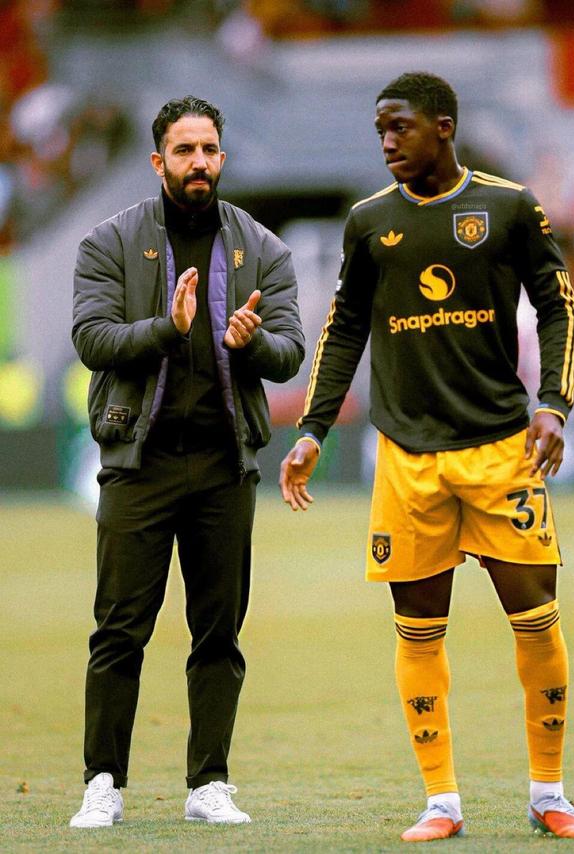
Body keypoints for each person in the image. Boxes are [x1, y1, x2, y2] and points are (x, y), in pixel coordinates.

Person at [280, 72, 574, 842]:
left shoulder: (509, 207)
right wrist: (314, 428)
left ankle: (549, 793)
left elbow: (559, 305)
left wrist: (553, 405)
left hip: (502, 451)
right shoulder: (369, 222)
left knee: (537, 621)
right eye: (380, 131)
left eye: (401, 127)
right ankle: (441, 803)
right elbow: (343, 329)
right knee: (418, 630)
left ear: (443, 126)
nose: (388, 142)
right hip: (407, 458)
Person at [70, 96, 304, 828]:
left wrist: (251, 342)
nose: (198, 162)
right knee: (119, 630)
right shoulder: (109, 241)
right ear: (158, 161)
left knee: (218, 633)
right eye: (184, 150)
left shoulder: (264, 248)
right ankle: (103, 782)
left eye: (208, 149)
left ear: (222, 158)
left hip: (224, 463)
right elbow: (91, 339)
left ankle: (210, 784)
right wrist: (167, 329)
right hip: (138, 462)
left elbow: (290, 352)